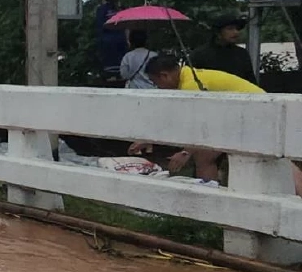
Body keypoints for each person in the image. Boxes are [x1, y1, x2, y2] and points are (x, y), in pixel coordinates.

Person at [129, 54, 302, 196]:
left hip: (255, 116)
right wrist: (148, 139)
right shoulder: (189, 76)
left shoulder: (190, 85)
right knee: (206, 156)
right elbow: (179, 120)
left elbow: (199, 125)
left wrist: (185, 152)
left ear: (164, 76)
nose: (157, 87)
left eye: (155, 82)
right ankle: (209, 198)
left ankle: (208, 199)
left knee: (278, 162)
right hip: (250, 114)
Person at [189, 18, 256, 83]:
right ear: (218, 33)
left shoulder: (242, 54)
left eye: (237, 29)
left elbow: (251, 81)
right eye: (230, 29)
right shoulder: (199, 54)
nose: (236, 32)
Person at [94, 0, 128, 83]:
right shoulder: (121, 8)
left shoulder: (102, 9)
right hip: (121, 41)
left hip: (107, 42)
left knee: (110, 74)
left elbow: (100, 26)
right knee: (121, 70)